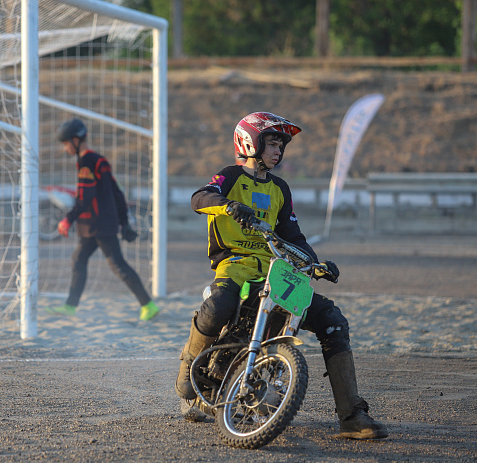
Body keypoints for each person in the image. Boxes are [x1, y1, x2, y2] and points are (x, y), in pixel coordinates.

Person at [175, 112, 388, 440]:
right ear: (250, 142)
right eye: (272, 143)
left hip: (276, 271)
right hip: (236, 264)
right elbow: (199, 198)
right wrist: (229, 206)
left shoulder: (279, 188)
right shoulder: (230, 176)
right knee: (218, 305)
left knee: (332, 320)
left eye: (280, 145)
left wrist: (315, 265)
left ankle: (351, 416)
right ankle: (189, 361)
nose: (278, 151)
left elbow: (293, 235)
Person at [46, 118, 160, 321]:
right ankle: (70, 307)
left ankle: (148, 305)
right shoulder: (100, 160)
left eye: (65, 144)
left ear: (75, 140)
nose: (64, 149)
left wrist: (68, 219)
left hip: (96, 225)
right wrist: (124, 221)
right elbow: (117, 192)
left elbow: (85, 197)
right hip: (97, 225)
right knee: (78, 260)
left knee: (117, 265)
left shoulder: (87, 162)